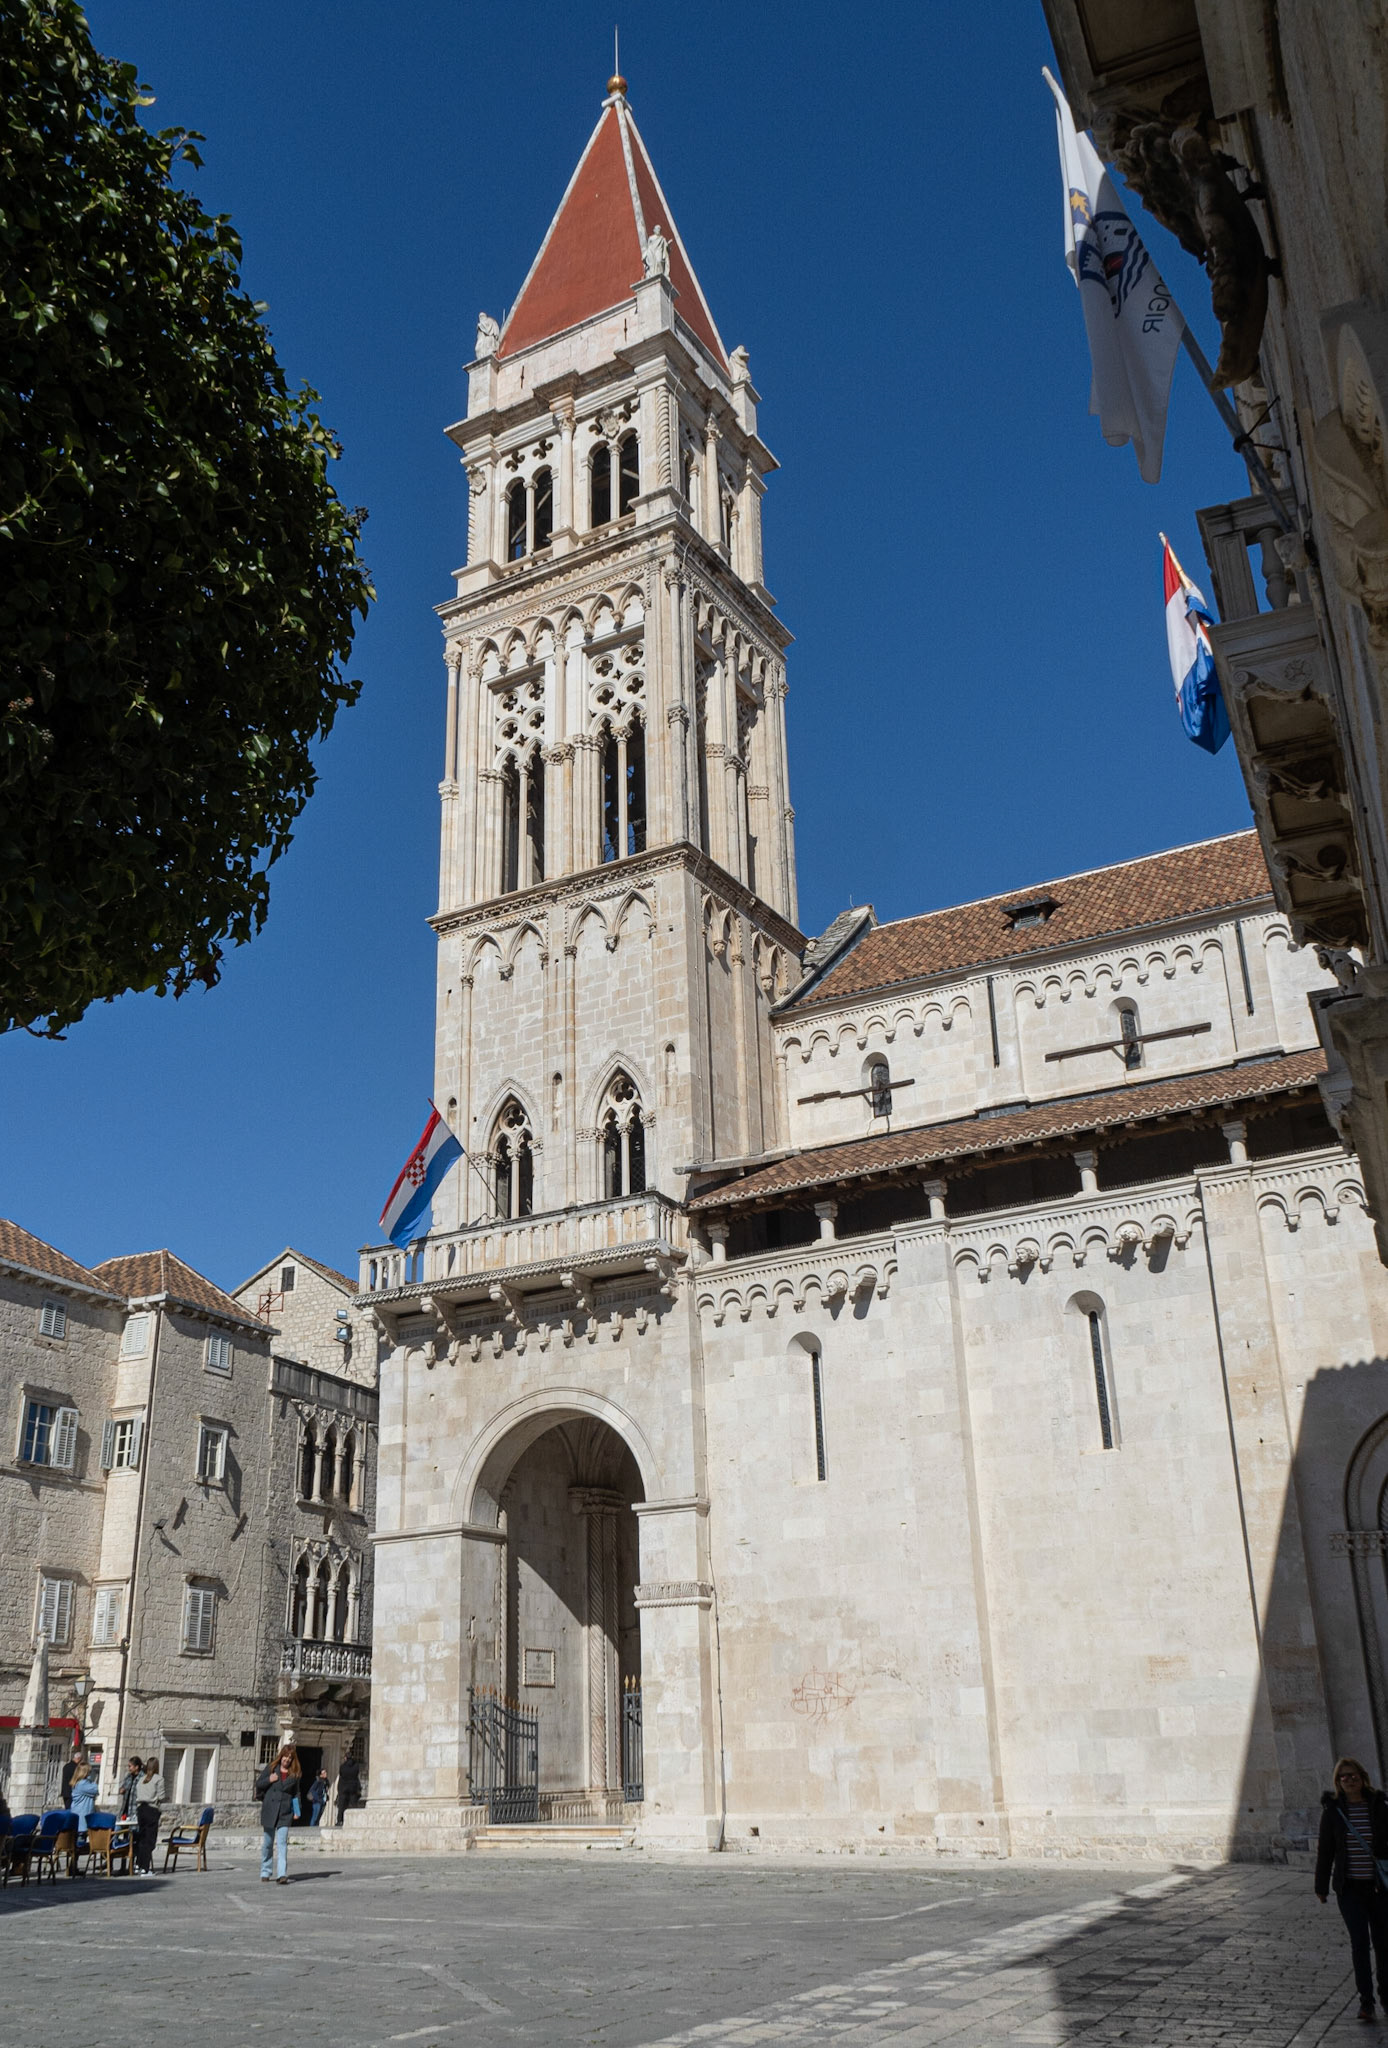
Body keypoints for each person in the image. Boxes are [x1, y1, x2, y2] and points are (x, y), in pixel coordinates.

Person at [1316, 1756, 1388, 2022]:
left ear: (1363, 1777)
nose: (1349, 1780)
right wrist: (1321, 1886)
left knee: (1384, 1945)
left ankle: (1386, 1997)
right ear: (1337, 1782)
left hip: (1379, 1888)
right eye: (1343, 1776)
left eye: (1353, 1775)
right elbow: (1326, 1851)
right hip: (1350, 1890)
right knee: (1360, 1944)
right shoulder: (1333, 1811)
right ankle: (1366, 2002)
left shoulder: (1379, 1805)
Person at [255, 1745, 300, 1884]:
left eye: (290, 1758)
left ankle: (282, 1874)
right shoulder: (271, 1769)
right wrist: (270, 1779)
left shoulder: (295, 1775)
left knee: (282, 1843)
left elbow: (296, 1793)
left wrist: (297, 1811)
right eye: (285, 1756)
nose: (287, 1759)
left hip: (284, 1812)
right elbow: (259, 1784)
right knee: (268, 1843)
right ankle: (265, 1871)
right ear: (281, 1756)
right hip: (270, 1809)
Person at [132, 1756, 165, 1874]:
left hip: (141, 1809)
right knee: (149, 1840)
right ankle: (145, 1868)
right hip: (151, 1809)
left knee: (142, 1838)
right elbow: (161, 1796)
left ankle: (138, 1864)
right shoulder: (158, 1779)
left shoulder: (141, 1779)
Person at [334, 1753, 361, 1825]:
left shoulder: (342, 1767)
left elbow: (341, 1774)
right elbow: (357, 1774)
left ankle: (340, 1820)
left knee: (341, 1805)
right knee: (353, 1804)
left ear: (345, 1758)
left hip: (343, 1787)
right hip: (353, 1787)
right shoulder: (356, 1766)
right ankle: (355, 1820)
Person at [117, 1756, 143, 1823]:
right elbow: (123, 1787)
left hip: (134, 1811)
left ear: (136, 1767)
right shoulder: (128, 1776)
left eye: (130, 1766)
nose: (129, 1768)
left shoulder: (142, 1778)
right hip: (125, 1810)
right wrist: (121, 1790)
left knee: (132, 1831)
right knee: (119, 1830)